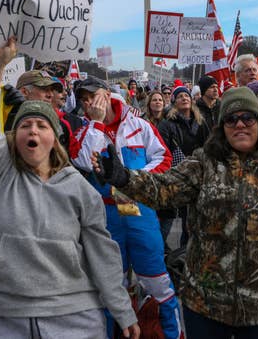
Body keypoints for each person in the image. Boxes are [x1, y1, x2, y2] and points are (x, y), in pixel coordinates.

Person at [91, 87, 258, 339]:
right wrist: (123, 177)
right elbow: (163, 189)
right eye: (231, 119)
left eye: (247, 118)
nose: (240, 124)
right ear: (222, 127)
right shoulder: (203, 163)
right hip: (207, 306)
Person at [0, 38, 139, 339]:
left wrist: (122, 309)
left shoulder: (79, 188)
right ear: (14, 136)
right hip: (3, 316)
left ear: (54, 138)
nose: (33, 129)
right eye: (25, 125)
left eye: (42, 125)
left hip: (74, 317)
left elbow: (102, 253)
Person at [72, 77, 183, 339]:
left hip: (139, 210)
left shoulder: (139, 125)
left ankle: (172, 333)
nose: (89, 102)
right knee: (112, 286)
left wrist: (134, 179)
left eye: (94, 95)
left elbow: (164, 158)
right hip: (105, 216)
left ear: (108, 93)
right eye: (84, 99)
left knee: (157, 280)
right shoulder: (85, 131)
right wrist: (97, 123)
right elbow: (83, 160)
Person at [156, 85, 210, 247]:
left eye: (186, 96)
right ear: (174, 102)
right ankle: (173, 254)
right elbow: (162, 149)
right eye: (180, 97)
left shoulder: (201, 122)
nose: (184, 98)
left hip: (200, 175)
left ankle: (188, 253)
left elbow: (210, 145)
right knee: (178, 219)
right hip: (178, 175)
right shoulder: (167, 124)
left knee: (195, 221)